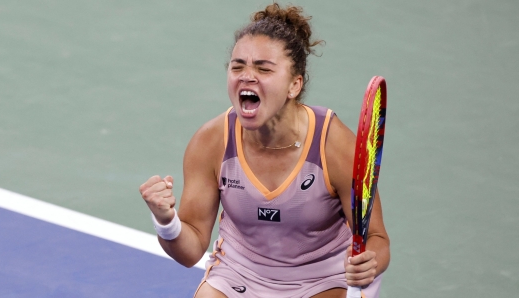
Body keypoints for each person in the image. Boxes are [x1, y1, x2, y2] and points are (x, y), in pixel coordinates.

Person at [139, 3, 390, 297]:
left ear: (294, 85)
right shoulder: (210, 143)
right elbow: (190, 251)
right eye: (237, 66)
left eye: (263, 68)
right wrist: (166, 222)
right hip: (240, 273)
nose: (247, 75)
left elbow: (377, 238)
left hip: (323, 278)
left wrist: (370, 263)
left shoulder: (333, 145)